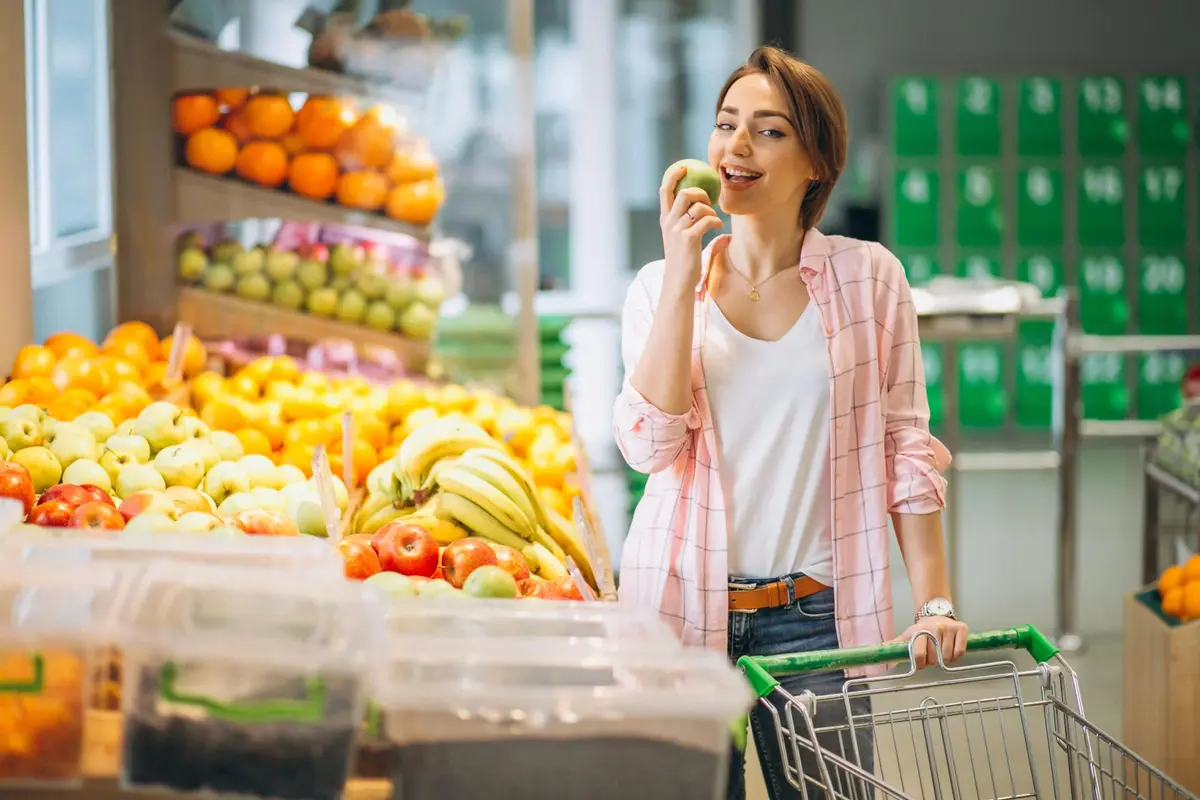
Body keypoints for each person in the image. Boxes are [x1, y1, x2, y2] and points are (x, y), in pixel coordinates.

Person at [613, 46, 968, 800]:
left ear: (817, 162)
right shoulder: (659, 287)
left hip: (817, 620)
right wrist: (682, 274)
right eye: (725, 125)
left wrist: (934, 602)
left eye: (768, 131)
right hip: (676, 608)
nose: (736, 147)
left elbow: (906, 445)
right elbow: (648, 444)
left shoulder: (871, 277)